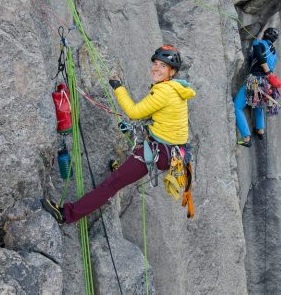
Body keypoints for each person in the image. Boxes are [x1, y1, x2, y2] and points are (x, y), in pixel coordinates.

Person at [43, 45, 196, 224]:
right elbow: (160, 117)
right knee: (127, 145)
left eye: (163, 66)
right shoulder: (176, 89)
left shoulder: (164, 90)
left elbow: (134, 112)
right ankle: (124, 170)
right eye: (155, 63)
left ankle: (66, 215)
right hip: (170, 150)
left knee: (112, 183)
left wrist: (118, 88)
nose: (156, 68)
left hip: (160, 151)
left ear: (172, 72)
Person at [234, 27, 281, 147]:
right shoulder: (274, 52)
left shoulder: (258, 43)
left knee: (237, 106)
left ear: (265, 34)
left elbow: (260, 57)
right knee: (258, 104)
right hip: (266, 83)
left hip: (255, 79)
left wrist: (267, 73)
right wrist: (269, 75)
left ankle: (246, 137)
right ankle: (260, 130)